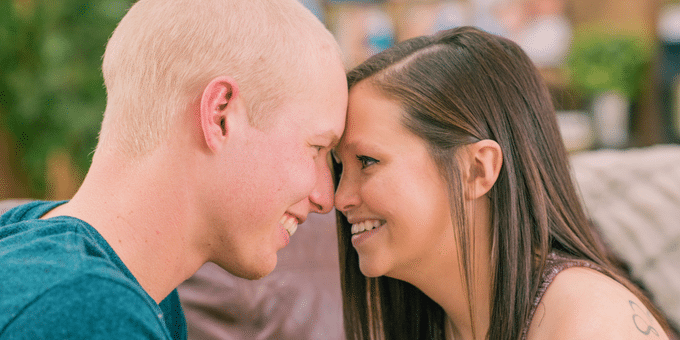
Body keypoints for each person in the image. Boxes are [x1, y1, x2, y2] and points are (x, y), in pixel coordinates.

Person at [0, 0, 347, 338]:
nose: (325, 197)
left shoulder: (30, 244)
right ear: (220, 116)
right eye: (316, 148)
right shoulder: (87, 312)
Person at [332, 26, 676, 340]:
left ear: (478, 170)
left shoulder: (592, 322)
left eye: (367, 161)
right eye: (339, 167)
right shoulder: (439, 322)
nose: (340, 198)